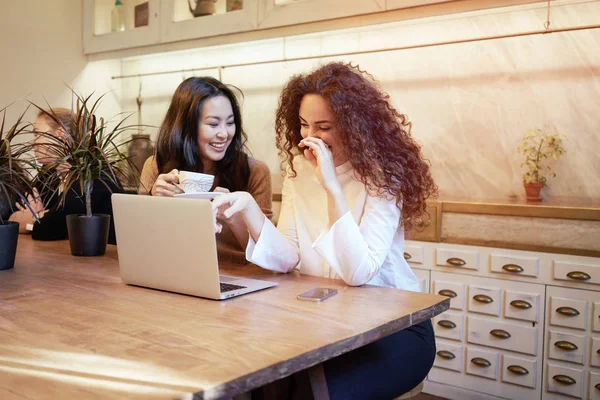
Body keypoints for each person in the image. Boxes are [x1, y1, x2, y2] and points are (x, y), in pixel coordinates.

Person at [211, 62, 438, 399]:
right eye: (304, 125)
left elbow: (358, 273)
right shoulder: (298, 170)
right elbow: (288, 256)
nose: (309, 137)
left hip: (393, 328)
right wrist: (248, 210)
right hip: (326, 325)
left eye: (324, 126)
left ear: (354, 126)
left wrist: (331, 187)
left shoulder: (384, 177)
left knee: (307, 392)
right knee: (255, 381)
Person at [139, 77, 272, 263]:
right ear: (186, 126)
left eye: (230, 122)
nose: (224, 134)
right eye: (213, 124)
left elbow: (268, 253)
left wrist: (233, 216)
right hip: (176, 268)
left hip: (240, 276)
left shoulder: (254, 171)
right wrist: (155, 204)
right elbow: (142, 243)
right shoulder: (157, 166)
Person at [9, 108, 121, 244]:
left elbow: (49, 229)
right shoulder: (48, 174)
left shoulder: (90, 175)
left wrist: (36, 217)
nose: (32, 143)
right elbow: (12, 217)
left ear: (60, 134)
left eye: (37, 134)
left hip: (106, 260)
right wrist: (40, 217)